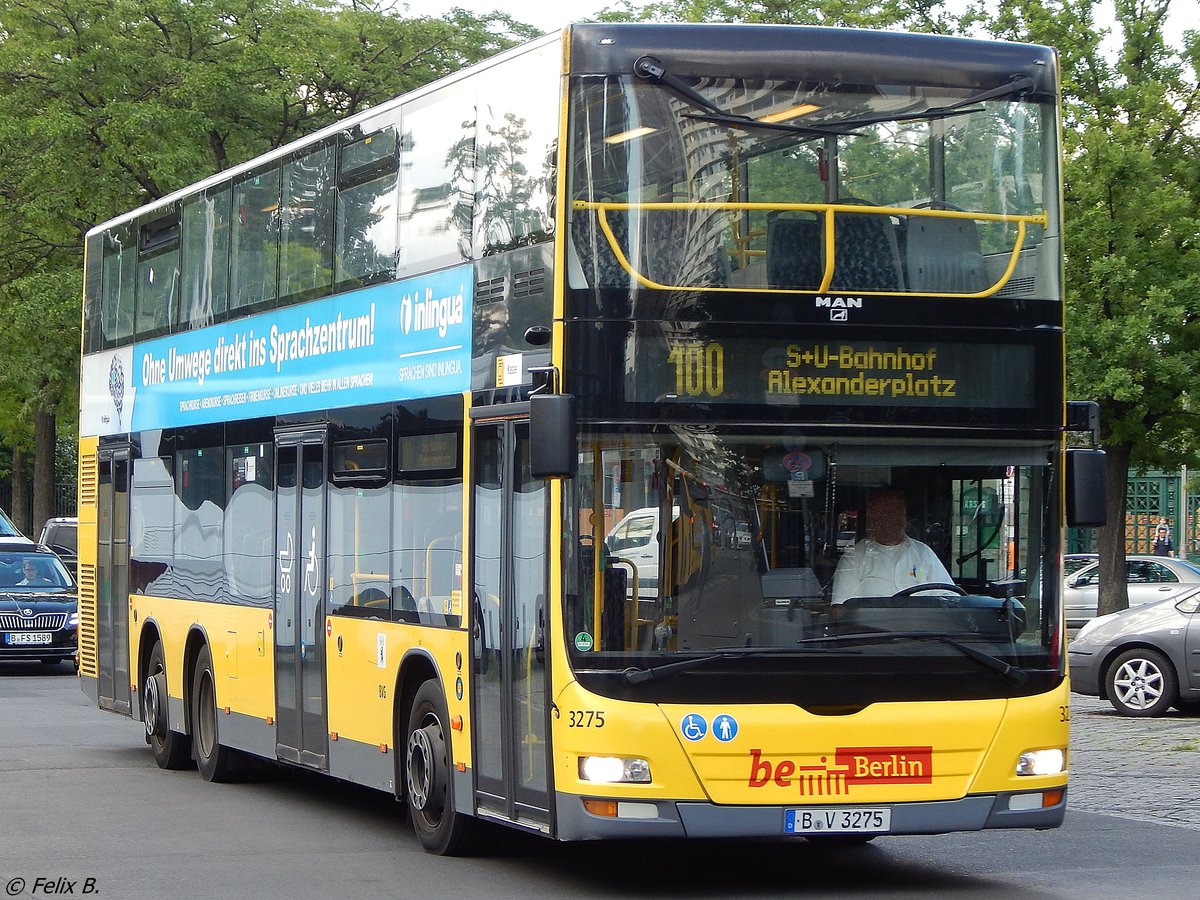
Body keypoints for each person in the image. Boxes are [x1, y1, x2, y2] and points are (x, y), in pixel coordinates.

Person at [831, 489, 954, 603]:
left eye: (896, 510)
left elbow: (949, 597)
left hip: (922, 624)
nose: (891, 518)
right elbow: (842, 609)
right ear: (872, 517)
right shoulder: (853, 558)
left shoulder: (924, 553)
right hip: (872, 626)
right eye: (884, 511)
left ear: (905, 516)